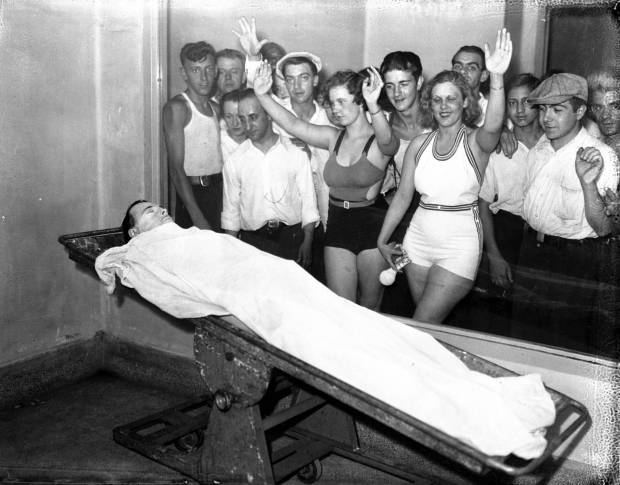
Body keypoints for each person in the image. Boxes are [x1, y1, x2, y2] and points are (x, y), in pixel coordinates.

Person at [98, 200, 555, 461]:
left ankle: (471, 393)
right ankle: (469, 412)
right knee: (353, 352)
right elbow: (166, 285)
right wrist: (121, 258)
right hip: (263, 301)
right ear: (135, 232)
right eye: (146, 213)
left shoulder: (193, 234)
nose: (157, 210)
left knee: (377, 332)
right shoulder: (150, 250)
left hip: (284, 283)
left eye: (155, 206)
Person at [377, 29, 513, 325]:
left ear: (466, 102)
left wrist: (498, 78)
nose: (444, 106)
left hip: (459, 244)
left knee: (422, 325)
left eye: (452, 99)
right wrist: (382, 240)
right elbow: (402, 196)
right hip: (417, 241)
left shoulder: (478, 142)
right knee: (430, 329)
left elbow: (494, 123)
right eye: (437, 99)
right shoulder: (418, 144)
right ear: (430, 103)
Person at [512, 72, 620, 355]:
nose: (547, 117)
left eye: (558, 110)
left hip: (573, 260)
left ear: (580, 111)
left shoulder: (601, 155)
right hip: (531, 252)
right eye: (544, 108)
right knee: (521, 340)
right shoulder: (540, 148)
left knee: (561, 345)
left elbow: (604, 228)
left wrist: (587, 183)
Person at [221, 89, 319, 267]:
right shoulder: (235, 161)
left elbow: (308, 202)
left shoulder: (295, 152)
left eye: (253, 117)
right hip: (253, 242)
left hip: (292, 238)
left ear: (269, 114)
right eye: (242, 119)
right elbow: (231, 212)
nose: (247, 126)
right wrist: (230, 254)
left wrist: (308, 241)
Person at [477, 74, 543, 315]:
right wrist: (493, 254)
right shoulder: (498, 150)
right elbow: (482, 204)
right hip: (506, 232)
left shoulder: (551, 145)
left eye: (527, 102)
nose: (520, 110)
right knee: (499, 312)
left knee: (533, 313)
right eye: (512, 103)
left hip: (541, 236)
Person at [163, 41, 223, 231]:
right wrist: (197, 218)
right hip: (192, 197)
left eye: (208, 69)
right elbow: (176, 169)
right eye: (195, 70)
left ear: (215, 71)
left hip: (219, 192)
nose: (204, 77)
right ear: (184, 73)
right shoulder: (178, 108)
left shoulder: (217, 108)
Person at [451, 45, 489, 127]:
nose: (462, 71)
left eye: (471, 68)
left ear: (483, 76)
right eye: (458, 66)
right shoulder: (441, 105)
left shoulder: (490, 110)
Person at [219, 90, 247, 164]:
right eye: (229, 116)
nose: (235, 123)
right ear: (223, 117)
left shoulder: (256, 140)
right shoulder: (218, 142)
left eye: (239, 116)